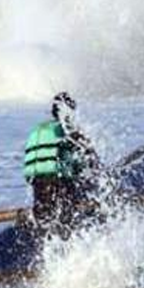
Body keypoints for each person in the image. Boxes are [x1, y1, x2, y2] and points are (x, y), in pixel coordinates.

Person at [22, 92, 103, 234]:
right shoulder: (69, 130)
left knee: (45, 218)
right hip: (59, 184)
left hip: (38, 186)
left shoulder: (38, 130)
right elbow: (89, 163)